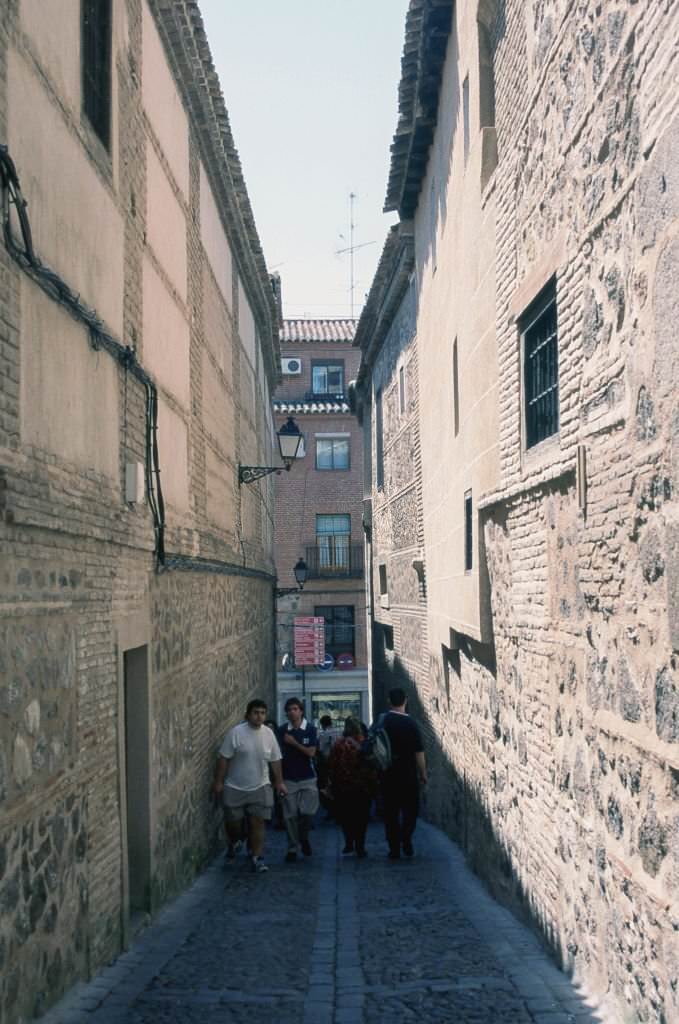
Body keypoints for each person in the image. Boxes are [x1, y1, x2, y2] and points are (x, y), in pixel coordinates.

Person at [212, 699, 287, 874]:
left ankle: (257, 857)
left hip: (260, 786)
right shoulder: (236, 733)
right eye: (255, 712)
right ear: (247, 715)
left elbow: (275, 760)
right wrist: (218, 782)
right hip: (234, 786)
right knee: (233, 823)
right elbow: (224, 758)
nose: (259, 716)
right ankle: (236, 840)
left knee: (258, 823)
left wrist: (280, 782)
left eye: (262, 712)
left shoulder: (269, 734)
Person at [375, 687, 428, 859]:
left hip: (387, 774)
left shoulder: (382, 721)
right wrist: (423, 773)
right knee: (411, 811)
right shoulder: (411, 724)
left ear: (389, 701)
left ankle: (394, 848)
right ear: (406, 700)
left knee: (390, 813)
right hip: (407, 774)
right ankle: (405, 838)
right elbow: (418, 752)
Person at [327, 716, 378, 857]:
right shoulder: (365, 744)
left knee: (346, 816)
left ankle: (349, 842)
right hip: (363, 786)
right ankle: (360, 846)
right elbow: (372, 766)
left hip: (343, 786)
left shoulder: (339, 744)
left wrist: (332, 782)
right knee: (361, 817)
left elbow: (332, 765)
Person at [278, 697, 319, 862]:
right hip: (288, 778)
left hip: (307, 776)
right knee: (290, 816)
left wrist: (294, 743)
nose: (292, 712)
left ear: (301, 711)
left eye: (295, 709)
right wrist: (278, 780)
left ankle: (303, 837)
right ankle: (292, 848)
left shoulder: (310, 729)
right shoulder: (281, 731)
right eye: (289, 709)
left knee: (308, 812)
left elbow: (311, 753)